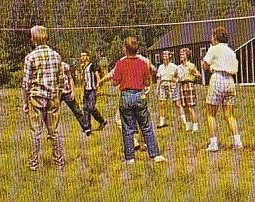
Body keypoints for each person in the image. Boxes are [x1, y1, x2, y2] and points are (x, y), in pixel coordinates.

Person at [112, 36, 167, 164]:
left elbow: (115, 82)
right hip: (139, 95)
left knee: (127, 129)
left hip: (126, 96)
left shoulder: (120, 64)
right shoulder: (143, 63)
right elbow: (147, 81)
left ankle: (130, 158)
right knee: (146, 126)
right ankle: (155, 155)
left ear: (125, 50)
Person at [22, 25, 64, 171]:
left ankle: (34, 164)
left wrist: (25, 102)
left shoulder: (30, 57)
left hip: (36, 96)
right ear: (46, 38)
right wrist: (58, 97)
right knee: (55, 131)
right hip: (53, 96)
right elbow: (61, 80)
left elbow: (26, 84)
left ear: (33, 39)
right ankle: (59, 163)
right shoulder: (56, 56)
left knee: (36, 132)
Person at [201, 26, 242, 152]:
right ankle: (237, 142)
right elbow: (235, 68)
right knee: (229, 115)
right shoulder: (230, 51)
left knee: (210, 113)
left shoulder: (213, 49)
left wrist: (206, 63)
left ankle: (213, 143)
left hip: (218, 79)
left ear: (216, 38)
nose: (211, 39)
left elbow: (205, 65)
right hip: (230, 81)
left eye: (212, 36)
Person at [156, 51, 186, 128]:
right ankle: (162, 122)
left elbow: (179, 76)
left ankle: (184, 121)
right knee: (162, 104)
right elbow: (159, 79)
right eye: (163, 55)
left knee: (177, 103)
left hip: (172, 85)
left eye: (166, 55)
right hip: (163, 85)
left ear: (169, 56)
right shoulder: (160, 67)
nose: (164, 57)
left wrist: (175, 81)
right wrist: (157, 89)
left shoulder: (174, 66)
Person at [80, 51, 107, 132]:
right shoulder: (83, 67)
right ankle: (87, 127)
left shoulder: (92, 65)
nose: (82, 57)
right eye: (81, 56)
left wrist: (98, 88)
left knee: (91, 107)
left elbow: (97, 76)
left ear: (88, 57)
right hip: (86, 90)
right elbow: (83, 80)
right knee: (85, 108)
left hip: (92, 89)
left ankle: (102, 121)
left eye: (84, 56)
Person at [61, 62, 90, 135]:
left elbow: (70, 79)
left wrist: (72, 92)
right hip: (57, 93)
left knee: (77, 110)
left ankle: (86, 128)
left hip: (67, 92)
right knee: (53, 113)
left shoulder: (64, 65)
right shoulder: (50, 66)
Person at [176, 48, 201, 132]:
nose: (181, 56)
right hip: (182, 85)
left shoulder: (191, 65)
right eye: (180, 54)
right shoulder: (179, 67)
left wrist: (196, 75)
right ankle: (188, 125)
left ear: (187, 55)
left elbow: (198, 74)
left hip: (189, 85)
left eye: (183, 54)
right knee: (184, 106)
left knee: (190, 107)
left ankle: (195, 125)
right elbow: (176, 77)